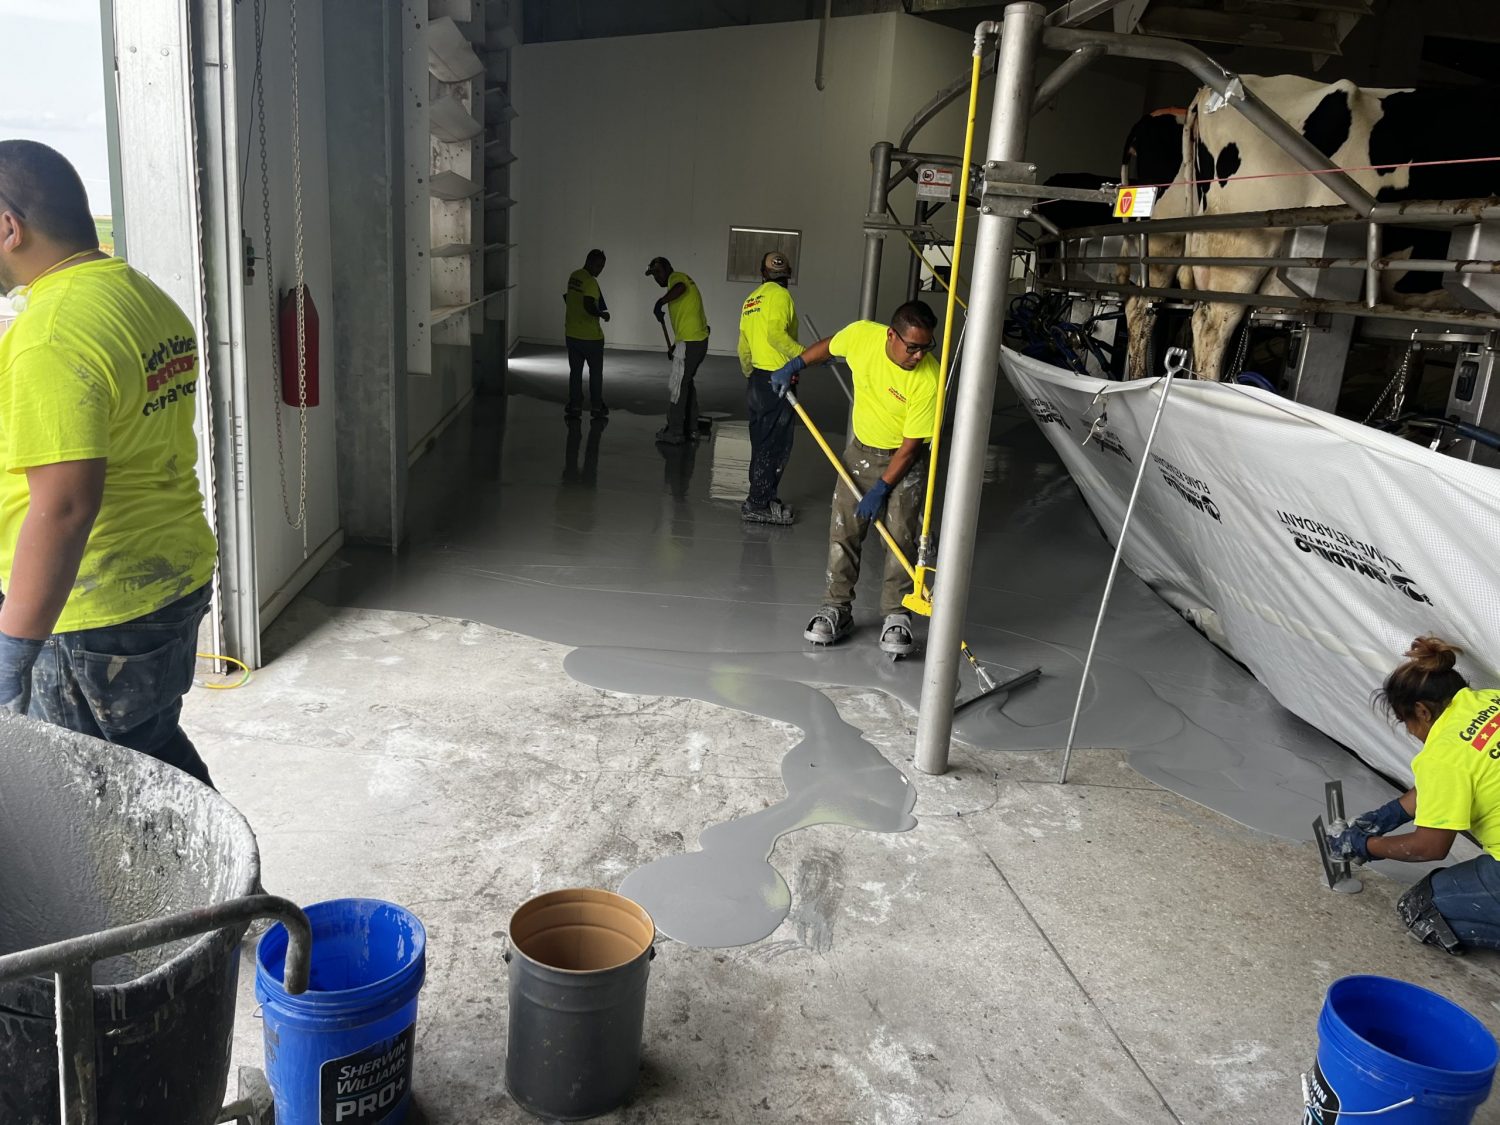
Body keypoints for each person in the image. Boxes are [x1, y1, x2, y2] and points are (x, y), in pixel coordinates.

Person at [0, 140, 218, 786]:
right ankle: (227, 853)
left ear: (8, 227)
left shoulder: (52, 331)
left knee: (95, 794)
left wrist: (13, 650)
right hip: (167, 579)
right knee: (148, 751)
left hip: (95, 608)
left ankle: (221, 854)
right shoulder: (138, 295)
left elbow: (66, 509)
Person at [769, 301, 939, 656]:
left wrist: (881, 489)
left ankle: (897, 614)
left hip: (904, 461)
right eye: (912, 347)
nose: (919, 355)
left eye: (926, 347)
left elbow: (910, 449)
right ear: (891, 336)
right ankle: (836, 608)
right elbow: (831, 346)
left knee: (901, 538)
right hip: (860, 453)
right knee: (843, 532)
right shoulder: (863, 336)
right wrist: (795, 365)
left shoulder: (929, 379)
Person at [1326, 636, 1500, 953]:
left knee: (1422, 908)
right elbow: (1448, 783)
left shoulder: (1442, 754)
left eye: (1406, 722)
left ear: (1421, 711)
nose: (1411, 732)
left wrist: (1365, 846)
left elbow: (1429, 847)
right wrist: (1385, 817)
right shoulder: (1490, 700)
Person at [737, 251, 800, 525]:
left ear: (762, 273)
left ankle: (761, 495)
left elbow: (743, 345)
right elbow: (776, 336)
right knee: (775, 443)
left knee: (761, 440)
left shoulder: (751, 300)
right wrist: (805, 357)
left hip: (757, 379)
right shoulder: (781, 296)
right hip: (778, 381)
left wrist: (751, 374)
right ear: (788, 274)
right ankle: (758, 503)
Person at [646, 256, 709, 445]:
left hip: (692, 342)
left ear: (668, 269)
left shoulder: (677, 278)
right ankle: (692, 427)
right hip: (693, 341)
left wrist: (661, 302)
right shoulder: (676, 282)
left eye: (658, 272)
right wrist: (676, 346)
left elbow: (681, 287)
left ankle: (675, 432)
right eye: (653, 275)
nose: (656, 277)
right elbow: (686, 320)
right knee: (686, 382)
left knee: (678, 385)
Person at [563, 249, 609, 419]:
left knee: (575, 373)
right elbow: (588, 304)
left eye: (602, 266)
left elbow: (569, 299)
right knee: (595, 374)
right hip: (591, 338)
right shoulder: (590, 282)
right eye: (598, 265)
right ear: (589, 262)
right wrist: (602, 314)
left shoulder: (574, 276)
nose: (600, 269)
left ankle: (575, 405)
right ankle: (596, 406)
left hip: (572, 334)